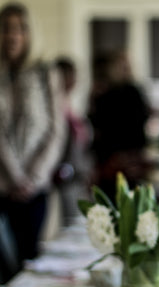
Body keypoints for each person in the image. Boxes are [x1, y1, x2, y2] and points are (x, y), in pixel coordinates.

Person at [0, 2, 64, 279]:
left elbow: (56, 130)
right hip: (3, 184)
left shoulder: (45, 73)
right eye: (6, 29)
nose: (13, 36)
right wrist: (14, 177)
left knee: (31, 264)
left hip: (36, 187)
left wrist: (32, 177)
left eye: (19, 29)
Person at [90, 49, 150, 201]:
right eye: (120, 65)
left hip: (131, 156)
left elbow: (141, 124)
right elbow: (97, 127)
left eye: (126, 65)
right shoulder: (102, 93)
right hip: (111, 158)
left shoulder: (135, 92)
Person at [54, 56, 91, 226]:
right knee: (71, 221)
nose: (73, 80)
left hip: (78, 172)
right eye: (68, 75)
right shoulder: (55, 105)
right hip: (66, 173)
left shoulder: (69, 103)